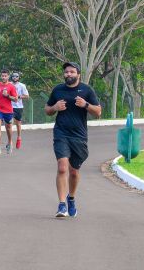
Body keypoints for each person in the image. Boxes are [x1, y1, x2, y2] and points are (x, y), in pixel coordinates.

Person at [45, 61, 101, 218]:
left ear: (78, 74)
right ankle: (61, 205)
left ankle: (71, 198)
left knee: (74, 171)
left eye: (71, 72)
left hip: (79, 136)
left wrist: (85, 105)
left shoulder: (86, 90)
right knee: (62, 167)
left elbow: (98, 112)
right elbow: (47, 110)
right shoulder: (58, 90)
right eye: (66, 72)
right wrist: (54, 108)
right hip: (61, 133)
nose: (68, 74)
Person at [0, 69, 19, 155]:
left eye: (5, 76)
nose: (3, 77)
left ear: (8, 77)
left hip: (8, 110)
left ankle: (10, 142)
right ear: (1, 76)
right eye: (2, 76)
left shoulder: (11, 87)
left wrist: (8, 96)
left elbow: (16, 99)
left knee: (9, 128)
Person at [10, 72, 30, 149]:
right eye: (13, 76)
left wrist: (18, 96)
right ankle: (10, 141)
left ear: (18, 77)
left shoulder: (22, 85)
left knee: (18, 123)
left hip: (18, 107)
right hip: (10, 106)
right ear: (11, 77)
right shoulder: (9, 85)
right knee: (9, 123)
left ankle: (19, 138)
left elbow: (27, 96)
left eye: (16, 76)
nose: (15, 77)